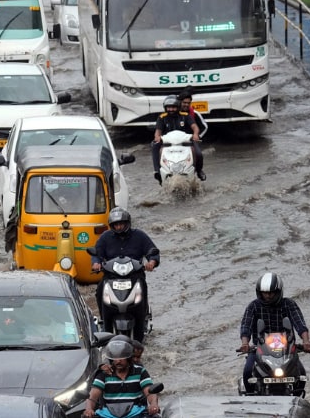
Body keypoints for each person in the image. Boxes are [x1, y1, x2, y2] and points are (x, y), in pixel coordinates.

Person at [90, 208, 160, 343]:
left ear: (127, 223)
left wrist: (152, 261)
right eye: (116, 224)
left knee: (142, 291)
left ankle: (142, 320)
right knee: (99, 291)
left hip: (134, 277)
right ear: (112, 226)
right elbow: (96, 254)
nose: (119, 227)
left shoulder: (139, 236)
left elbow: (152, 251)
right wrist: (96, 264)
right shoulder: (105, 237)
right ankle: (104, 319)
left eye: (121, 224)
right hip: (111, 277)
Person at [239, 272, 310, 383]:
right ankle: (250, 397)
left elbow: (300, 325)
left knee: (301, 375)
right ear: (260, 292)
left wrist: (306, 341)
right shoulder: (253, 306)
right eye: (265, 293)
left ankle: (297, 397)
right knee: (247, 372)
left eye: (271, 293)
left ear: (278, 292)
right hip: (260, 349)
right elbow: (246, 326)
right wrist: (245, 344)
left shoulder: (289, 304)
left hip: (286, 350)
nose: (268, 296)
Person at [83, 338, 161, 417]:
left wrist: (154, 404)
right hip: (108, 415)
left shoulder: (140, 372)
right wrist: (89, 409)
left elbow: (150, 392)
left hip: (136, 414)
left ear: (129, 358)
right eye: (115, 357)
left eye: (122, 357)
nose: (118, 361)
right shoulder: (103, 373)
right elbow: (92, 396)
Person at [152, 94, 204, 181]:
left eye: (173, 107)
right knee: (154, 147)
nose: (171, 109)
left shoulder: (186, 116)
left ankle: (199, 171)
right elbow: (158, 132)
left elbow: (195, 127)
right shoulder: (162, 117)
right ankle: (157, 171)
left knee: (199, 153)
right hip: (168, 143)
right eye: (168, 107)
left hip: (186, 141)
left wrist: (195, 134)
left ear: (178, 107)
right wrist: (157, 137)